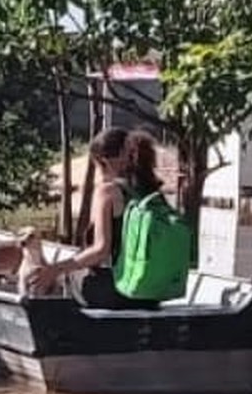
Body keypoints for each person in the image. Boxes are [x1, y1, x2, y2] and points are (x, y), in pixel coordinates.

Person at [27, 128, 159, 309]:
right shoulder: (152, 193)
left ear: (103, 161)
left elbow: (100, 251)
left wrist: (54, 270)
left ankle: (60, 331)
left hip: (118, 292)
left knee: (67, 276)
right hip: (152, 293)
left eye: (96, 166)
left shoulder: (108, 191)